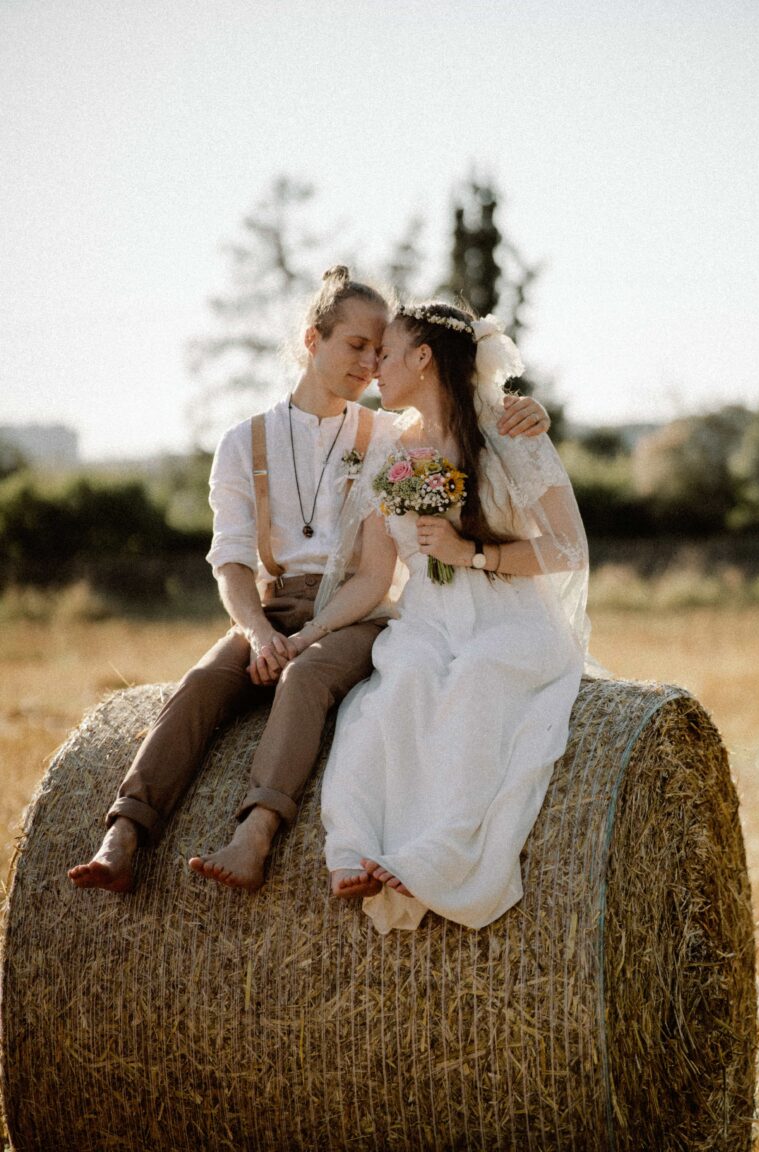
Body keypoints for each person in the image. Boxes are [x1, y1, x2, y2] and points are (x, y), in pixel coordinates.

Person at [68, 268, 550, 895]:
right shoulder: (242, 443)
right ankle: (123, 834)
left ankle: (255, 834)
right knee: (202, 682)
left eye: (381, 351)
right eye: (356, 345)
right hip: (270, 607)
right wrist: (259, 631)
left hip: (358, 608)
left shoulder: (388, 434)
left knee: (306, 675)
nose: (371, 363)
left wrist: (522, 410)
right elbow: (233, 563)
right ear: (311, 339)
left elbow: (460, 426)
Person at [320, 301, 589, 933]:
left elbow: (569, 547)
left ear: (423, 359)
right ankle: (350, 850)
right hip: (426, 621)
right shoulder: (389, 447)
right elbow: (373, 576)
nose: (375, 367)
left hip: (509, 618)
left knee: (477, 676)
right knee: (391, 694)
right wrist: (312, 630)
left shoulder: (509, 429)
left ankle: (439, 853)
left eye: (386, 354)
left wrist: (473, 553)